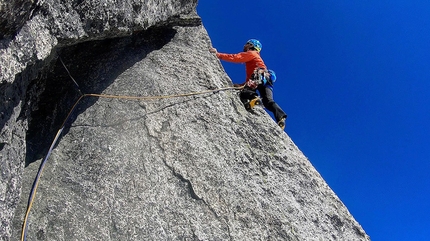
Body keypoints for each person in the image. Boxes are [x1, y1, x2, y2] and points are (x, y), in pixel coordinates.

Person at [209, 39, 287, 130]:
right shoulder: (257, 58)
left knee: (245, 92)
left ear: (251, 45)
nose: (244, 46)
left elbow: (236, 57)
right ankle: (280, 117)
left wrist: (218, 54)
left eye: (247, 44)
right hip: (266, 79)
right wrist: (241, 85)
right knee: (268, 101)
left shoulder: (252, 53)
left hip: (259, 74)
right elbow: (250, 80)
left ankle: (254, 98)